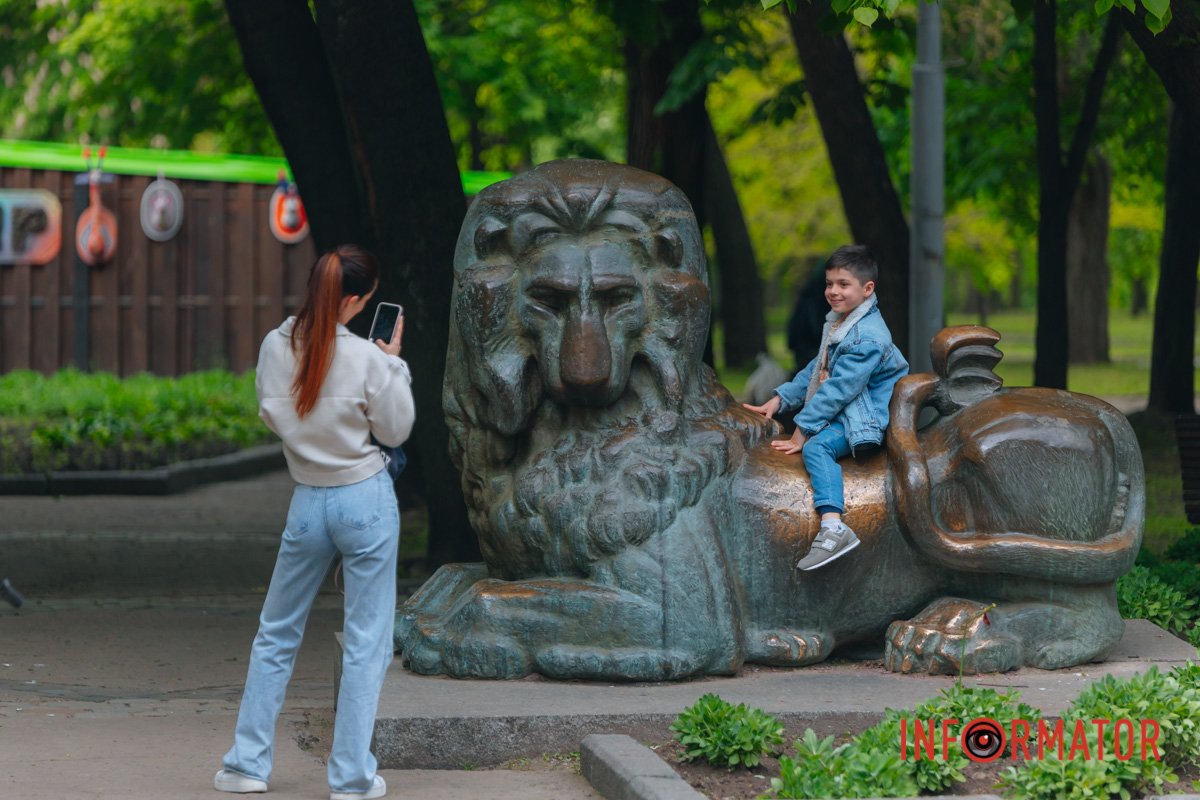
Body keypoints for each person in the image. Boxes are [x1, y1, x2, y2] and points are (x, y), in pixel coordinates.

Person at [214, 245, 414, 800]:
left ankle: (246, 766)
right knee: (367, 640)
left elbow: (272, 413)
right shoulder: (368, 359)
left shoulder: (275, 347)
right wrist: (393, 362)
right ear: (354, 299)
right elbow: (396, 431)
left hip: (308, 500)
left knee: (276, 633)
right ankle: (350, 778)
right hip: (365, 500)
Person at [743, 245, 908, 571]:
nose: (833, 291)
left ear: (867, 289)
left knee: (817, 448)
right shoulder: (841, 321)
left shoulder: (867, 338)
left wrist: (802, 431)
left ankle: (834, 528)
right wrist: (781, 398)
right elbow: (815, 369)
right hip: (846, 408)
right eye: (829, 283)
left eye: (843, 284)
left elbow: (837, 390)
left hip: (862, 418)